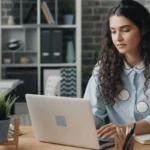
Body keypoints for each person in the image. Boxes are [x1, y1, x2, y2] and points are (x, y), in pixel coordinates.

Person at [84, 0, 150, 139]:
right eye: (113, 31)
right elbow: (95, 113)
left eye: (125, 30)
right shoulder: (103, 69)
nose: (118, 38)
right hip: (118, 144)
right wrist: (83, 122)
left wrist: (125, 129)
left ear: (143, 30)